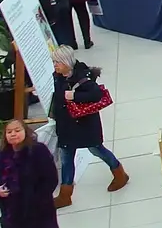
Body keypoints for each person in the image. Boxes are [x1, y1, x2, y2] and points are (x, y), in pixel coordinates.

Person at [50, 47, 126, 205]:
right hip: (66, 124)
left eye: (57, 62)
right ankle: (65, 195)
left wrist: (75, 96)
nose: (55, 65)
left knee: (97, 149)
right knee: (66, 158)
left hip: (84, 124)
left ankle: (120, 173)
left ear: (66, 62)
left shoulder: (83, 77)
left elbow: (96, 95)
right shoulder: (58, 77)